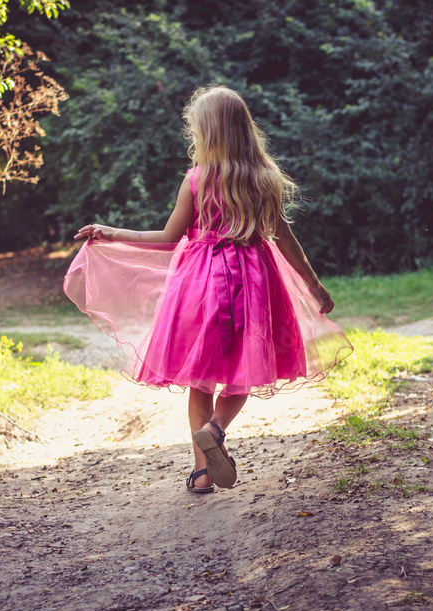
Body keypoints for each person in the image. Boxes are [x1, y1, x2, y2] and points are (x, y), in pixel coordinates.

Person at [64, 85, 352, 494]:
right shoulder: (265, 179)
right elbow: (286, 240)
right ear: (244, 130)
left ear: (208, 133)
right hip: (253, 286)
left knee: (200, 380)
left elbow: (168, 236)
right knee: (243, 375)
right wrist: (315, 285)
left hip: (199, 285)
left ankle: (201, 474)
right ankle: (216, 429)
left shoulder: (196, 180)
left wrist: (112, 232)